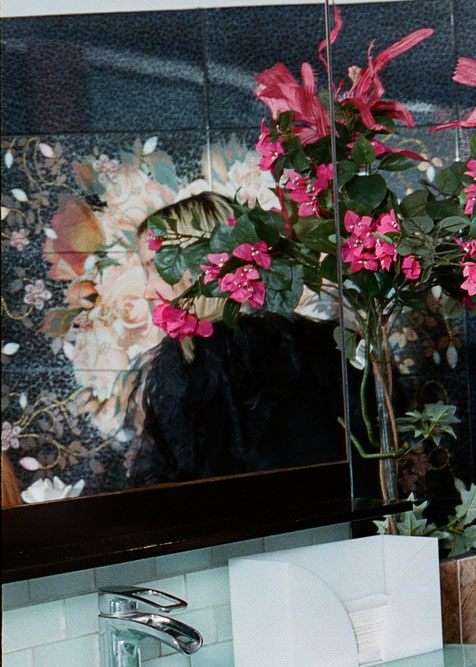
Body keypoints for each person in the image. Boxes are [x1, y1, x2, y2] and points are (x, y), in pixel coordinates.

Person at [130, 192, 344, 485]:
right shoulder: (279, 347)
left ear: (200, 265)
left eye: (157, 268)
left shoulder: (245, 358)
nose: (147, 291)